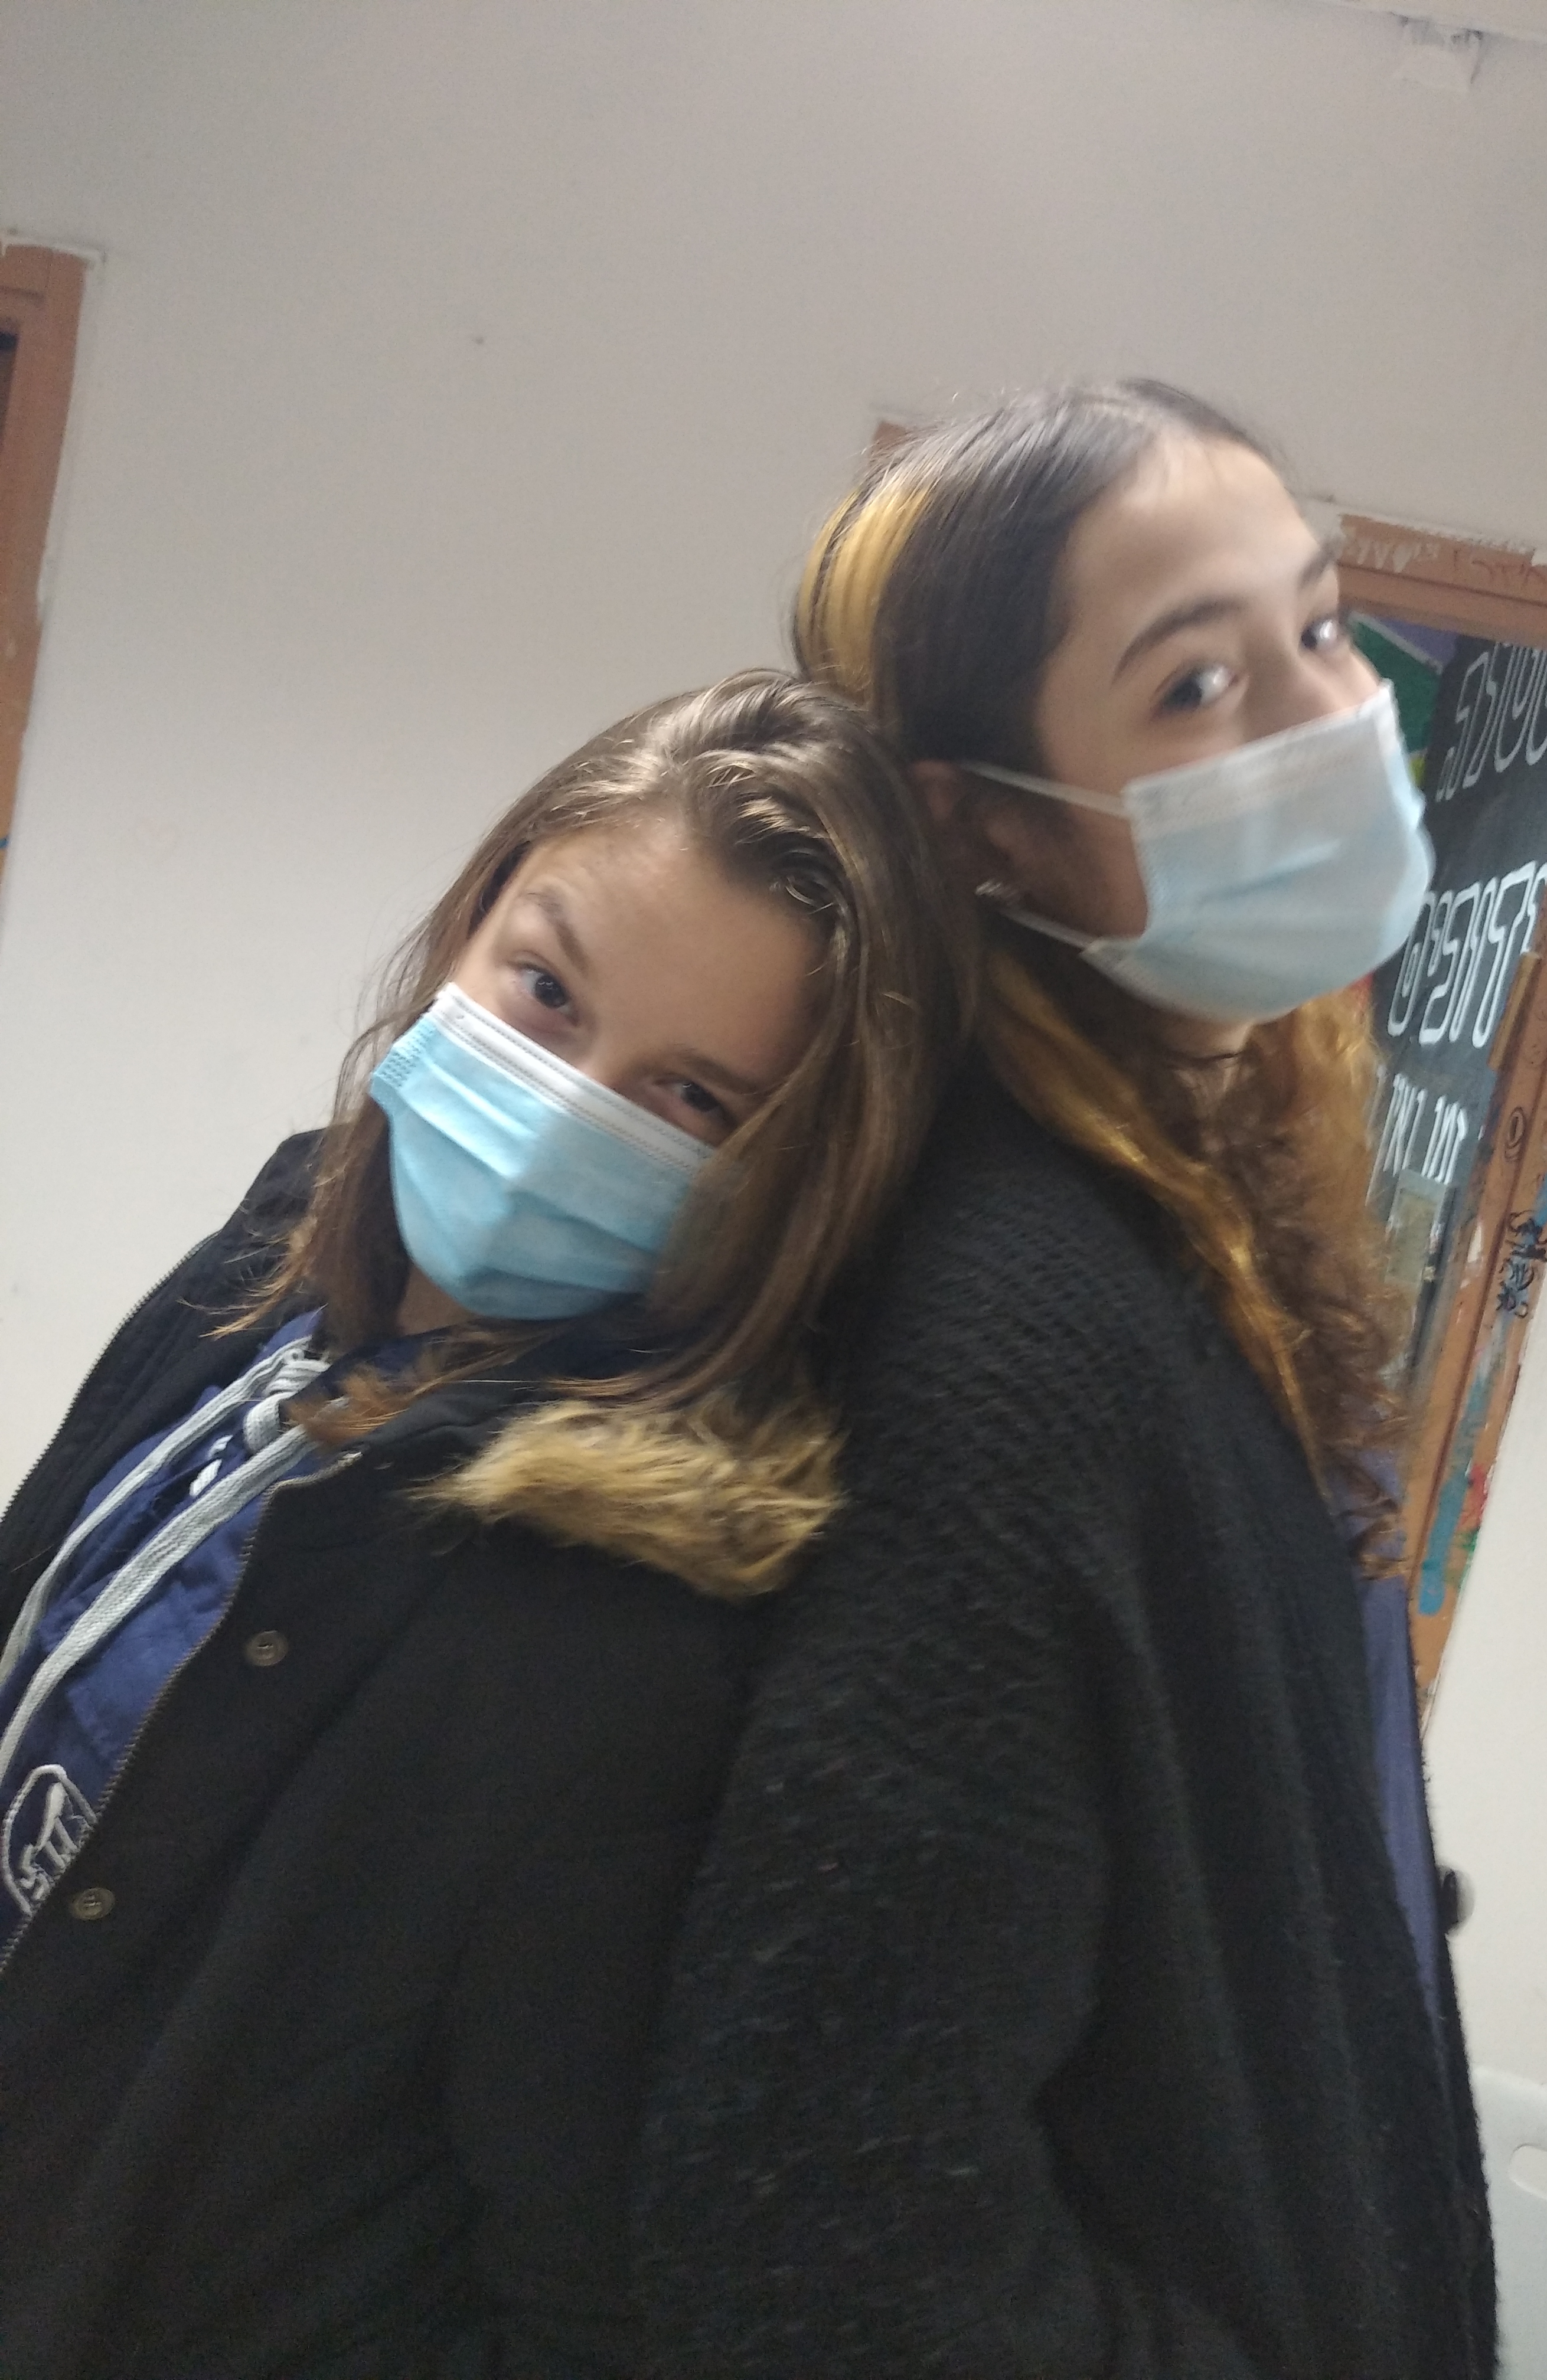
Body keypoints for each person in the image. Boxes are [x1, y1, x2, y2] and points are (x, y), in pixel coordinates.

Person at [631, 386, 1496, 2378]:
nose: (1331, 715)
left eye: (1321, 625)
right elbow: (820, 2235)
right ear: (982, 825)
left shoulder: (1202, 1153)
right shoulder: (1015, 1333)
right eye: (1197, 685)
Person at [0, 671, 968, 2379]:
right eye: (547, 989)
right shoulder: (274, 1254)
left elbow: (581, 2301)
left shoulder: (617, 1641)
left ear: (785, 1182)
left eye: (692, 1098)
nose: (562, 1108)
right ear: (472, 920)